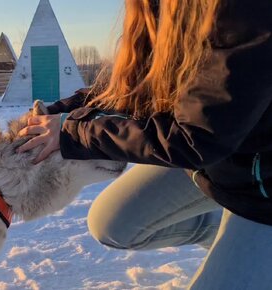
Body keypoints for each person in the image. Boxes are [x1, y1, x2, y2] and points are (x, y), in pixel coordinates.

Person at [18, 0, 271, 288]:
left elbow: (196, 138)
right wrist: (64, 111)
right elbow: (136, 83)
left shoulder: (247, 11)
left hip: (261, 190)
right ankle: (224, 241)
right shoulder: (165, 9)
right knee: (111, 225)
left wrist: (76, 132)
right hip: (215, 162)